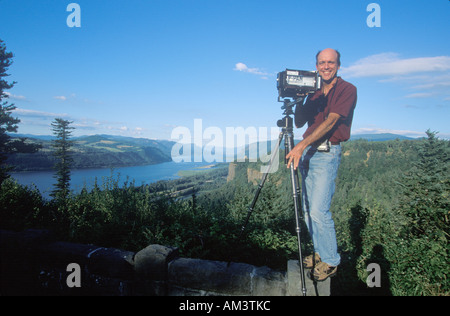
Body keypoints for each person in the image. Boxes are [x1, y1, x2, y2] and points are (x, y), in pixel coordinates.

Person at [286, 48, 357, 281]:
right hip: (308, 154)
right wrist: (299, 98)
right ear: (316, 65)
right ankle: (321, 251)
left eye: (331, 62)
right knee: (307, 210)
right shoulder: (314, 92)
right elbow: (298, 122)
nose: (326, 66)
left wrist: (301, 146)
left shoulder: (347, 89)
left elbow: (332, 121)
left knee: (319, 210)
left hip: (326, 153)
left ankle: (331, 261)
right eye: (322, 63)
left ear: (338, 64)